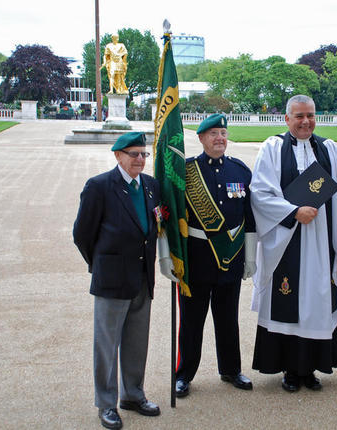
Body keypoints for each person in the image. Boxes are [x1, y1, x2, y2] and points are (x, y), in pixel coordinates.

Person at [73, 132, 175, 429]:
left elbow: (155, 226)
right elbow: (82, 234)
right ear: (118, 155)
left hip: (143, 277)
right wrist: (102, 264)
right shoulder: (100, 186)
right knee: (107, 345)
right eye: (134, 154)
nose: (140, 160)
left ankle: (133, 394)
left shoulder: (152, 186)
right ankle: (106, 403)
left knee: (136, 342)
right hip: (112, 279)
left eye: (144, 154)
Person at [250, 95, 337, 392]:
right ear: (287, 118)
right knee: (288, 299)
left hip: (320, 241)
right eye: (299, 116)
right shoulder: (271, 149)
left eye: (310, 115)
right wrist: (294, 212)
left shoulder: (329, 150)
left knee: (317, 301)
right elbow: (260, 194)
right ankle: (289, 371)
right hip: (286, 241)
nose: (305, 121)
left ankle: (310, 369)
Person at [175, 114, 257, 398]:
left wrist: (250, 257)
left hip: (230, 257)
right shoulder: (186, 172)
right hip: (196, 259)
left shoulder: (240, 170)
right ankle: (183, 374)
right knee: (191, 321)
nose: (219, 138)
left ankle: (231, 370)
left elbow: (250, 217)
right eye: (213, 134)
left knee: (227, 319)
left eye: (223, 133)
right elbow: (172, 217)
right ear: (200, 138)